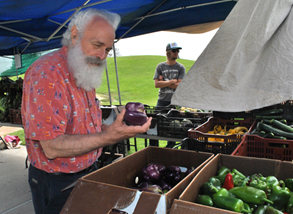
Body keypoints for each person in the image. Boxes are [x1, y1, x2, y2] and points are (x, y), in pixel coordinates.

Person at [21, 8, 152, 214]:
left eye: (108, 50)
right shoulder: (47, 74)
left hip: (86, 171)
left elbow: (87, 125)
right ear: (74, 35)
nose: (102, 56)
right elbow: (52, 147)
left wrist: (115, 128)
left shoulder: (82, 68)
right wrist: (107, 137)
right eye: (98, 45)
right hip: (57, 182)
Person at [150, 42, 186, 148]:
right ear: (168, 53)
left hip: (175, 101)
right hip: (162, 100)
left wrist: (164, 81)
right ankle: (153, 148)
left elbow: (180, 86)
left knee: (174, 127)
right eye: (174, 51)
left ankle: (169, 149)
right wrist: (172, 81)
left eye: (177, 51)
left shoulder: (181, 68)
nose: (176, 53)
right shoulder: (160, 66)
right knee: (155, 125)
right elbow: (156, 84)